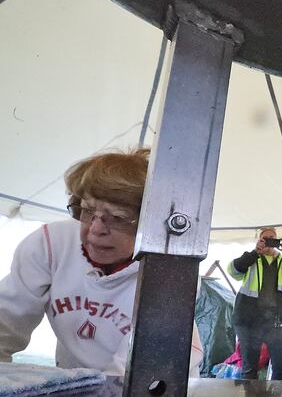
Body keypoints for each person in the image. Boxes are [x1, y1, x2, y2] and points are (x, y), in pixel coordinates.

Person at [0, 148, 203, 376]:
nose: (95, 230)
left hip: (142, 385)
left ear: (152, 224)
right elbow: (6, 320)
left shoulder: (170, 274)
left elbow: (133, 373)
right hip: (74, 383)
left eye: (117, 217)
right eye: (87, 211)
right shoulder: (50, 245)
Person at [228, 227, 282, 380]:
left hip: (277, 320)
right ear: (259, 240)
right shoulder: (251, 258)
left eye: (272, 238)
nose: (269, 240)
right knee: (249, 368)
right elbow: (234, 270)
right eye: (265, 238)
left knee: (281, 367)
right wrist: (256, 251)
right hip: (249, 320)